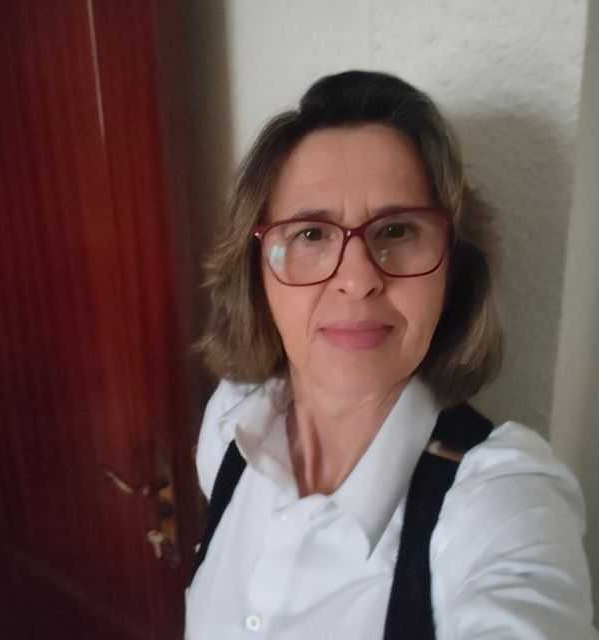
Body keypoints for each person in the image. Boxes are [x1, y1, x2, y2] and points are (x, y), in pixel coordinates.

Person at [184, 70, 597, 639]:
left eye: (398, 230)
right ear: (257, 273)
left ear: (453, 269)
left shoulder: (502, 498)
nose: (358, 281)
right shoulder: (228, 428)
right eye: (311, 234)